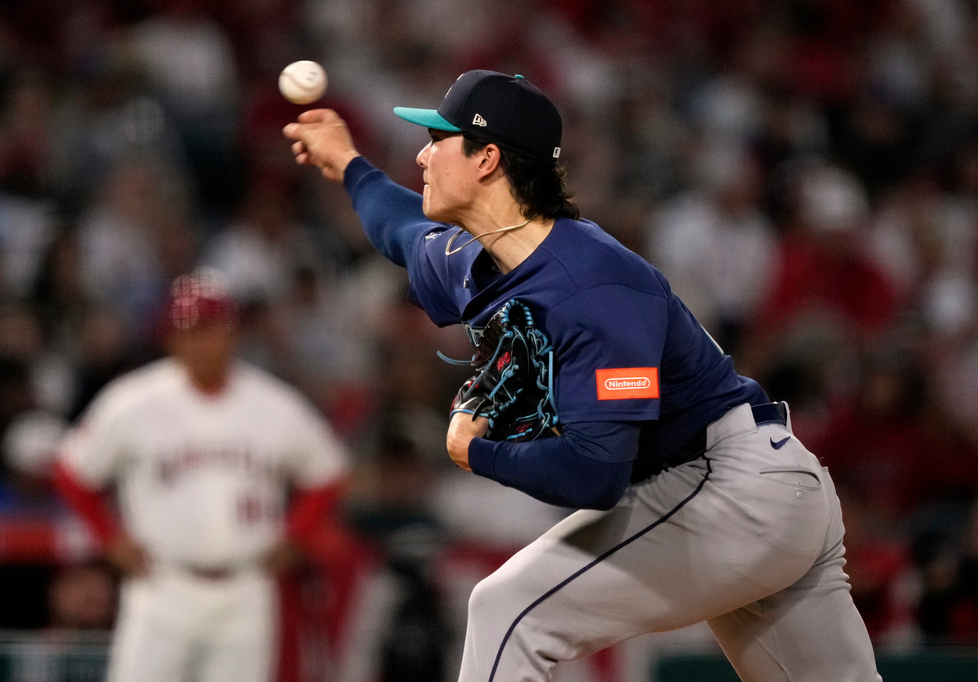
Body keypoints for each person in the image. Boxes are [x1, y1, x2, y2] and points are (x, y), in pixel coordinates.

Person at [283, 70, 882, 681]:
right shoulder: (480, 255)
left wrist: (476, 453)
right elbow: (402, 231)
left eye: (439, 138)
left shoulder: (594, 288)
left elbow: (596, 472)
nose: (421, 153)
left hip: (729, 486)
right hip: (756, 491)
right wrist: (349, 163)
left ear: (487, 158)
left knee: (507, 610)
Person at [53, 267, 349, 682]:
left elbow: (328, 472)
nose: (199, 341)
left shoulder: (273, 404)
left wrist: (297, 537)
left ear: (231, 331)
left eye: (210, 327)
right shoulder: (133, 401)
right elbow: (72, 470)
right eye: (187, 330)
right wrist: (110, 540)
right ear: (171, 337)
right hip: (162, 583)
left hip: (246, 585)